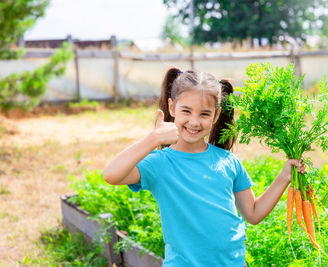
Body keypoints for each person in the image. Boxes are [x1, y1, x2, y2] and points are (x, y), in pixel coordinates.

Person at [103, 68, 306, 267]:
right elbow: (111, 175)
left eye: (204, 114)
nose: (194, 121)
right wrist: (153, 138)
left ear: (216, 115)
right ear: (172, 107)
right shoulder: (160, 163)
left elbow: (253, 214)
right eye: (186, 111)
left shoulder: (228, 161)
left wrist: (284, 176)